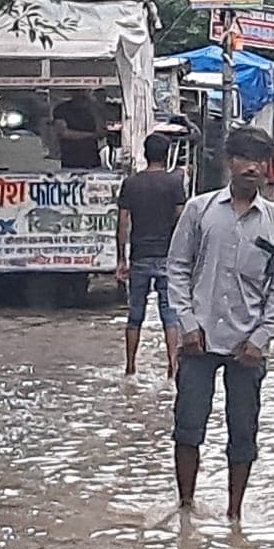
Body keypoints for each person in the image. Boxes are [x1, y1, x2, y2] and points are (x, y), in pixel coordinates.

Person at [166, 126, 274, 523]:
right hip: (198, 340)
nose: (251, 168)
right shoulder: (199, 210)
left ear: (267, 168)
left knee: (243, 434)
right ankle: (185, 508)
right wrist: (186, 324)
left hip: (247, 347)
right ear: (229, 163)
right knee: (187, 428)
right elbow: (177, 268)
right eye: (244, 159)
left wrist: (260, 338)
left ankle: (234, 515)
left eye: (260, 161)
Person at [117, 133, 188, 378]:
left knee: (135, 314)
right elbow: (181, 218)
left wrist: (121, 259)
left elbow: (123, 223)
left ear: (144, 153)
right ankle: (172, 366)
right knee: (170, 315)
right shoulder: (174, 183)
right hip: (167, 256)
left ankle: (130, 366)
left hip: (139, 257)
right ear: (166, 155)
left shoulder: (131, 183)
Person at [52, 90, 105, 169]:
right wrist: (92, 135)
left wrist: (94, 110)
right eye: (77, 91)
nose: (80, 93)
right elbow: (62, 133)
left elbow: (101, 131)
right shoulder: (61, 109)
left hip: (92, 160)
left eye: (83, 91)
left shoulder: (93, 108)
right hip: (70, 160)